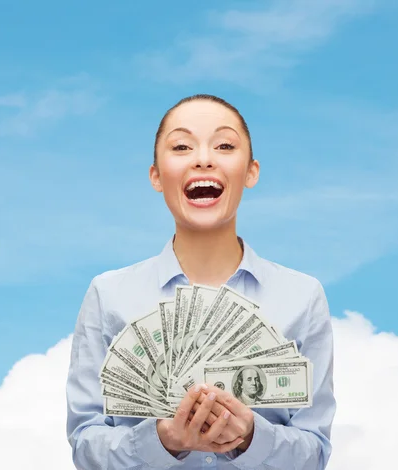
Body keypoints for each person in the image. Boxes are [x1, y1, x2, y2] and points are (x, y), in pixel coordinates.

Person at [66, 94, 337, 470]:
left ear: (251, 172)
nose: (204, 158)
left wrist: (253, 438)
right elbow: (85, 445)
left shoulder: (302, 297)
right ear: (156, 176)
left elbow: (315, 452)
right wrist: (162, 441)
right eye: (181, 146)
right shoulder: (108, 295)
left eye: (225, 145)